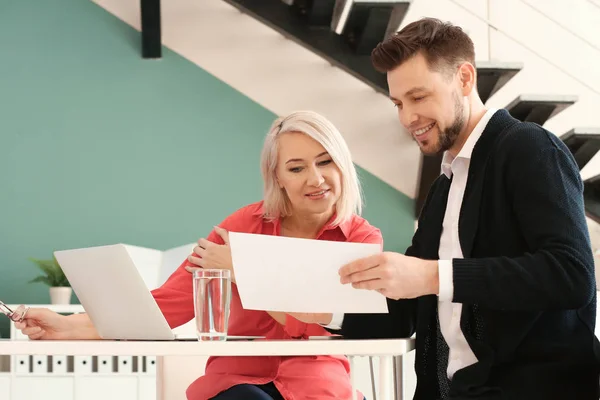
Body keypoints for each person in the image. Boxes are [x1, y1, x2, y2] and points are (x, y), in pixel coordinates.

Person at [297, 17, 600, 399]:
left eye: (419, 97)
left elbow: (571, 276)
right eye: (398, 103)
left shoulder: (530, 148)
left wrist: (430, 276)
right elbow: (407, 313)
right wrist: (322, 311)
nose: (407, 118)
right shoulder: (444, 187)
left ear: (464, 79)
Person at [14, 110, 381, 400]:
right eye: (296, 168)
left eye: (325, 161)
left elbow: (323, 326)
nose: (315, 179)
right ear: (278, 177)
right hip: (237, 381)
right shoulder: (240, 226)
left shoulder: (360, 239)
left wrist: (243, 271)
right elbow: (165, 307)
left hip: (320, 384)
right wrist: (67, 326)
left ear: (342, 164)